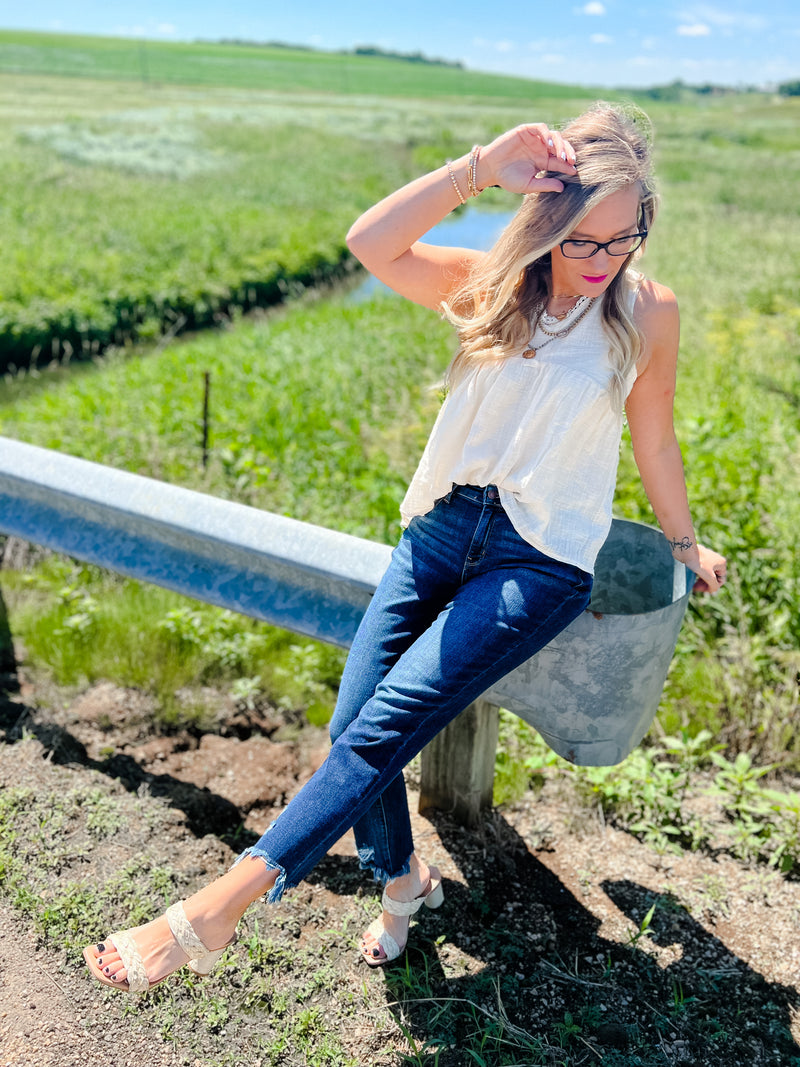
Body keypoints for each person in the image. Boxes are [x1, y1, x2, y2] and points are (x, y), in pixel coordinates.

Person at [83, 102, 727, 991]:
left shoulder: (647, 313)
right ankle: (404, 883)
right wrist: (480, 167)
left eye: (626, 238)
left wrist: (685, 542)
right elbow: (371, 243)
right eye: (585, 241)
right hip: (439, 530)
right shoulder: (494, 285)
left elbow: (654, 436)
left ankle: (214, 909)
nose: (604, 262)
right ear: (546, 220)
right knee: (357, 719)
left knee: (384, 723)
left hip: (538, 559)